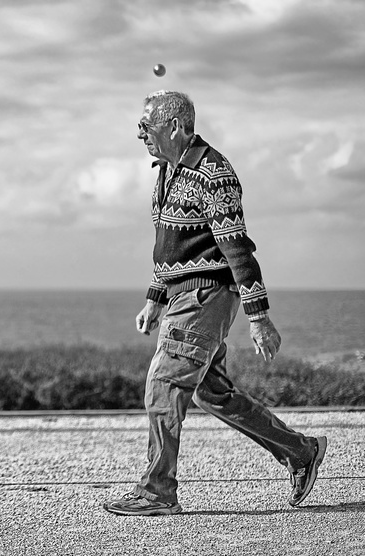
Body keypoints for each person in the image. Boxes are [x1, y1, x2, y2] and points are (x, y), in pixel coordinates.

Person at [103, 91, 327, 516]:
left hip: (206, 297)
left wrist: (259, 317)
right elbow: (168, 247)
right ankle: (301, 452)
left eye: (145, 127)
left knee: (164, 383)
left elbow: (237, 249)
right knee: (211, 394)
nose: (139, 135)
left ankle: (158, 492)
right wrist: (154, 298)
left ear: (176, 127)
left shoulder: (214, 173)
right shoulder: (167, 172)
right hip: (181, 297)